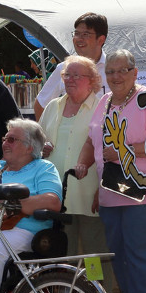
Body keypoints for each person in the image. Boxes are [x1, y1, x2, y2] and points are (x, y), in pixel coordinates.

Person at [75, 49, 146, 293]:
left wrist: (125, 152)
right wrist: (83, 164)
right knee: (118, 254)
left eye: (122, 70)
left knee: (140, 254)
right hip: (111, 191)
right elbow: (92, 140)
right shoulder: (105, 101)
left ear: (135, 72)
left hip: (141, 191)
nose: (116, 76)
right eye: (110, 71)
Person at [0, 118, 62, 293]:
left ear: (30, 147)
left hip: (25, 229)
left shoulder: (43, 168)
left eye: (12, 140)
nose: (5, 143)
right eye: (5, 139)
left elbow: (53, 201)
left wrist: (14, 205)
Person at [39, 56, 106, 257]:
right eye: (67, 75)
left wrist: (102, 190)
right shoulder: (52, 106)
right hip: (57, 197)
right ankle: (66, 289)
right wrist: (41, 147)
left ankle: (97, 288)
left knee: (93, 256)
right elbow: (36, 143)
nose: (70, 79)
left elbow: (110, 153)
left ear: (92, 80)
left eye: (77, 75)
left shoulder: (102, 108)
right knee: (63, 254)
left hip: (89, 196)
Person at [34, 13, 108, 120]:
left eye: (85, 34)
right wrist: (45, 134)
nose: (78, 38)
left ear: (101, 40)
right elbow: (40, 104)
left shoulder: (114, 69)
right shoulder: (64, 68)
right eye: (76, 33)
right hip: (72, 136)